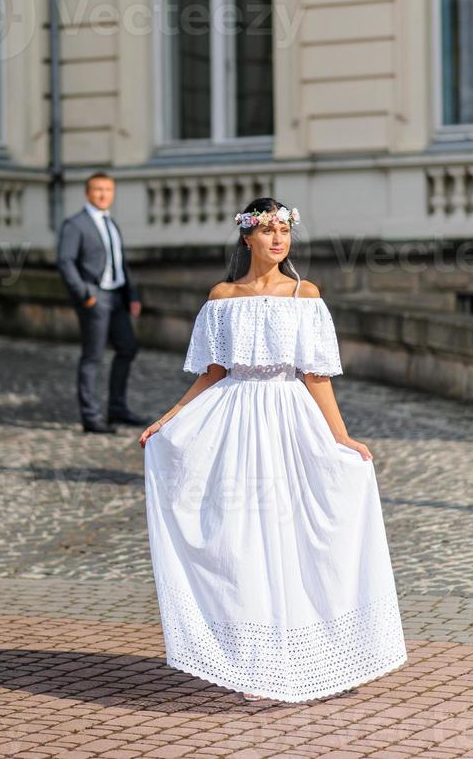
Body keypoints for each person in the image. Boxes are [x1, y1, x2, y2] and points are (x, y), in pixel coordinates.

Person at [140, 197, 408, 703]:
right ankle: (250, 654)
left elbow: (316, 374)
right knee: (241, 536)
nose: (277, 238)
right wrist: (169, 419)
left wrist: (341, 437)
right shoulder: (221, 296)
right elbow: (212, 372)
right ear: (247, 238)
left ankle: (328, 650)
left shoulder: (305, 294)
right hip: (233, 424)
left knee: (302, 534)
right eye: (266, 230)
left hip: (291, 421)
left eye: (284, 229)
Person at [57, 171, 148, 434]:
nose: (103, 194)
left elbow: (120, 262)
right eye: (98, 190)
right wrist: (86, 294)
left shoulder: (110, 222)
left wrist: (132, 295)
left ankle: (117, 408)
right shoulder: (75, 224)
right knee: (93, 356)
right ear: (87, 193)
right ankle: (91, 416)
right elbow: (65, 262)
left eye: (108, 190)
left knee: (128, 348)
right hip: (95, 297)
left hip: (118, 296)